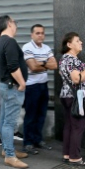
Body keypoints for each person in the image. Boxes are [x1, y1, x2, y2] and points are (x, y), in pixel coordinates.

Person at [0, 15, 30, 169]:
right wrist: (22, 83)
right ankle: (9, 155)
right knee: (9, 122)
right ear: (9, 24)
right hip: (12, 86)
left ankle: (6, 149)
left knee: (3, 119)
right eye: (15, 22)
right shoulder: (9, 42)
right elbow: (13, 66)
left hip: (5, 85)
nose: (16, 25)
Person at [59, 32, 85, 166]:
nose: (81, 43)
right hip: (76, 97)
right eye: (77, 41)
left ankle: (67, 154)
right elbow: (76, 79)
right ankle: (75, 157)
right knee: (78, 127)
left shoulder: (65, 59)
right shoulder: (70, 59)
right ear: (69, 44)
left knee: (70, 126)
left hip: (68, 95)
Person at [22, 24, 57, 154]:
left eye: (42, 33)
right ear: (32, 35)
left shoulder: (46, 48)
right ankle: (28, 143)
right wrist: (45, 64)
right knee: (31, 115)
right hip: (31, 86)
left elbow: (55, 65)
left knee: (41, 114)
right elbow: (33, 67)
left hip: (43, 85)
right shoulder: (27, 47)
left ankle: (37, 140)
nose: (40, 35)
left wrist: (40, 63)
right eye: (37, 33)